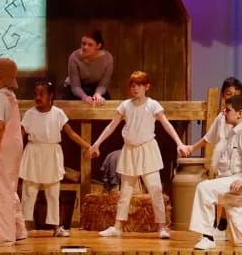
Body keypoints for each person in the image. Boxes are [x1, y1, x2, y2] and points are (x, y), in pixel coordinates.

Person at [89, 71, 189, 239]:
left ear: (146, 87)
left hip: (147, 149)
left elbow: (166, 125)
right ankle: (117, 227)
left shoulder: (153, 105)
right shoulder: (125, 106)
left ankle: (162, 227)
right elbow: (111, 126)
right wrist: (96, 144)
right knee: (125, 192)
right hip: (130, 150)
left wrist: (179, 143)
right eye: (133, 85)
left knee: (155, 189)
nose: (135, 88)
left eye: (139, 85)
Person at [20, 80, 90, 237]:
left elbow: (71, 133)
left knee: (53, 192)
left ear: (51, 95)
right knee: (29, 190)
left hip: (52, 153)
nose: (38, 97)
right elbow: (20, 135)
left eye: (42, 94)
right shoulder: (30, 114)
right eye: (35, 94)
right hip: (34, 153)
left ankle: (56, 226)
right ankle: (23, 226)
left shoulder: (58, 113)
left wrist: (88, 146)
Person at [187, 77, 242, 240]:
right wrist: (191, 148)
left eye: (236, 95)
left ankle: (209, 234)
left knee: (207, 190)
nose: (231, 98)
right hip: (227, 169)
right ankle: (219, 229)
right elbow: (208, 138)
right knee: (229, 207)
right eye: (228, 94)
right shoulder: (224, 120)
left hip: (236, 175)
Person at [0, 58, 27, 246]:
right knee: (9, 188)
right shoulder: (10, 96)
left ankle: (2, 237)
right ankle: (17, 229)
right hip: (13, 148)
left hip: (2, 149)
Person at [64, 29, 113, 105]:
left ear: (98, 45)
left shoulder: (108, 59)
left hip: (95, 88)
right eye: (83, 43)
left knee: (105, 103)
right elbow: (75, 86)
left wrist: (98, 94)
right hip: (75, 89)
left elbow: (103, 84)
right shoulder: (74, 57)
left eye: (90, 45)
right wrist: (84, 97)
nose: (85, 47)